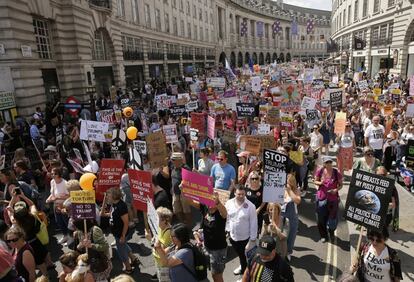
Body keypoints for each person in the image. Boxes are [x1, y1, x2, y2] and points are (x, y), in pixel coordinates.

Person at [100, 188, 138, 275]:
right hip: (117, 232)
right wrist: (104, 201)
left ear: (114, 196)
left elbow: (126, 222)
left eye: (108, 195)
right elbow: (103, 214)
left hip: (121, 233)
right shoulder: (114, 204)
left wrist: (123, 236)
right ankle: (133, 258)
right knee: (124, 245)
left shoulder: (121, 206)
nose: (107, 197)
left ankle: (128, 268)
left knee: (121, 251)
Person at [191, 192, 227, 282]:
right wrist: (183, 191)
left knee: (216, 276)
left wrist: (217, 202)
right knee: (211, 271)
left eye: (213, 201)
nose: (210, 203)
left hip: (218, 250)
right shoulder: (204, 208)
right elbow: (189, 201)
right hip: (207, 247)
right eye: (208, 200)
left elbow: (225, 213)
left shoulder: (220, 212)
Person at [225, 186, 257, 278]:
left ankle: (245, 276)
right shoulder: (229, 203)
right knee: (241, 255)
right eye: (239, 194)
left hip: (245, 239)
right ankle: (243, 267)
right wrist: (227, 229)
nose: (241, 196)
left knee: (247, 257)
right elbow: (227, 218)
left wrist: (252, 240)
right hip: (233, 237)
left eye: (243, 194)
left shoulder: (251, 206)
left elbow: (253, 224)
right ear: (235, 193)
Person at [314, 156, 343, 242]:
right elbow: (315, 181)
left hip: (333, 199)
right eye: (327, 163)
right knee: (321, 219)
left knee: (332, 220)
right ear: (324, 164)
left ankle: (331, 232)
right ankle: (324, 236)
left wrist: (336, 190)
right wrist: (320, 182)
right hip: (321, 198)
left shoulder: (336, 172)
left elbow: (341, 185)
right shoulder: (320, 171)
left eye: (330, 162)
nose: (329, 164)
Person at [46, 167, 70, 244]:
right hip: (55, 205)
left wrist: (57, 197)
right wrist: (48, 199)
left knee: (66, 221)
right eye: (51, 173)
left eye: (54, 174)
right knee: (59, 221)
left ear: (59, 174)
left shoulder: (65, 183)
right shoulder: (52, 182)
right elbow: (52, 194)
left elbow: (69, 195)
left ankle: (70, 236)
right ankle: (65, 235)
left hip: (64, 205)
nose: (52, 175)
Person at [281, 169, 301, 261]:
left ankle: (288, 252)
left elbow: (297, 200)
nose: (286, 184)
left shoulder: (296, 190)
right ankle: (280, 251)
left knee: (291, 235)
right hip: (281, 215)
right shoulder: (280, 190)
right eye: (285, 182)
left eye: (288, 182)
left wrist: (289, 191)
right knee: (280, 234)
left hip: (292, 215)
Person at [149, 207, 173, 282]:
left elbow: (160, 250)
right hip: (159, 262)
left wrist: (150, 239)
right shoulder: (160, 227)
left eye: (157, 217)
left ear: (164, 220)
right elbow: (157, 238)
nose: (155, 218)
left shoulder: (168, 233)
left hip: (163, 265)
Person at [171, 152, 192, 226]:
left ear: (179, 160)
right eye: (172, 159)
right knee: (176, 209)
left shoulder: (186, 168)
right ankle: (182, 223)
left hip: (184, 193)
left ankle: (189, 226)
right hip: (175, 192)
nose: (172, 161)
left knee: (186, 210)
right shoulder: (172, 167)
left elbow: (189, 180)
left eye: (173, 160)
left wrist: (183, 183)